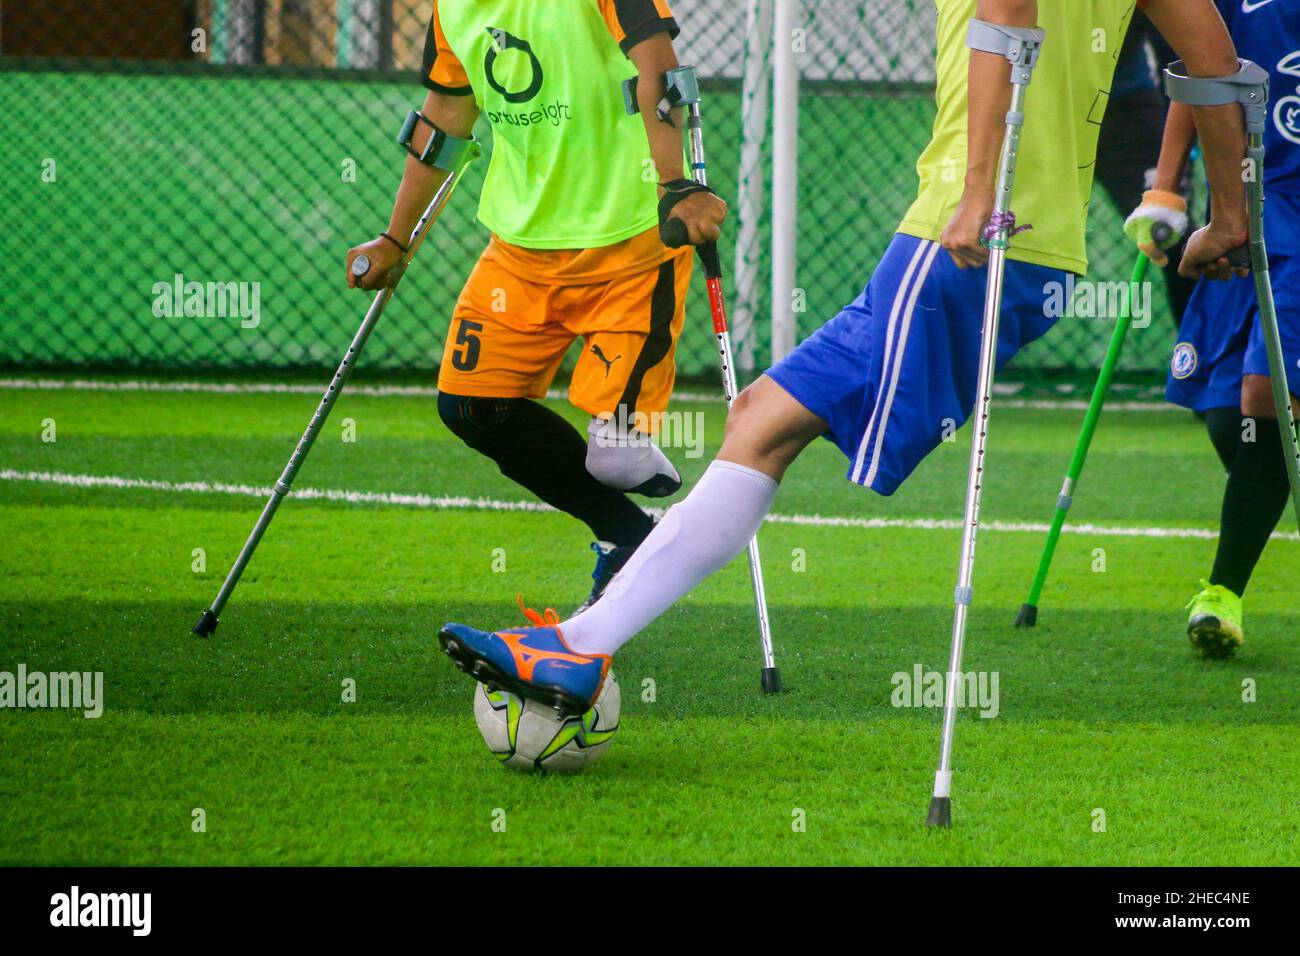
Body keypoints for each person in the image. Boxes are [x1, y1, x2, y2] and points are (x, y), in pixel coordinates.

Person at [437, 0, 1255, 714]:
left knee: (763, 429)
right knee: (759, 419)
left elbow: (1008, 14)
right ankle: (581, 646)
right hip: (1039, 250)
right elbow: (1214, 61)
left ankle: (580, 646)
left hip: (965, 236)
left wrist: (977, 196)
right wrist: (1228, 211)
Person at [346, 0, 727, 611]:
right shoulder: (453, 8)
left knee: (616, 457)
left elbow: (658, 70)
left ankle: (625, 448)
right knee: (470, 407)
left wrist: (675, 182)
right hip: (520, 254)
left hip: (630, 244)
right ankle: (627, 535)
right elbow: (445, 118)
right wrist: (396, 237)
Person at [1128, 0, 1300, 658]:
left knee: (1267, 400)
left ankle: (1221, 595)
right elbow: (1198, 70)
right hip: (1245, 204)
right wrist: (1165, 187)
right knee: (1232, 419)